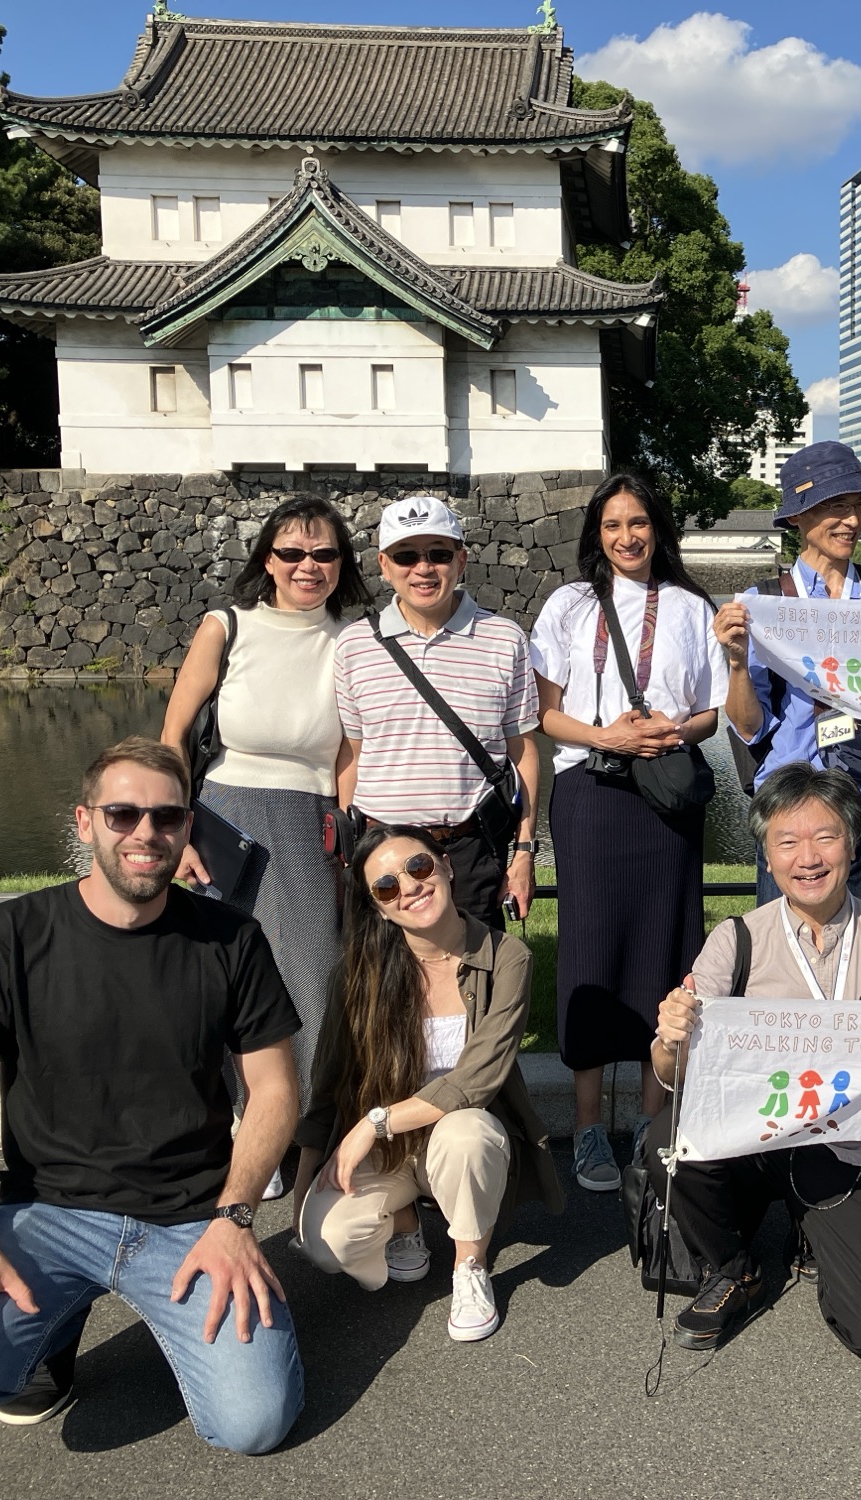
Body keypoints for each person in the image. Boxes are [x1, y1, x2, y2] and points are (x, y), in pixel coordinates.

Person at [0, 738, 304, 1452]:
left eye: (167, 818)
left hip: (191, 1218)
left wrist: (237, 1217)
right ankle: (51, 1326)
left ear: (188, 828)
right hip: (48, 1211)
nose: (146, 833)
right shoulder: (7, 938)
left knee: (255, 1424)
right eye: (123, 814)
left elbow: (273, 1090)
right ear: (84, 823)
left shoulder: (231, 940)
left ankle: (142, 1312)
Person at [644, 765, 861, 1361]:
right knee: (668, 1139)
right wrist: (670, 1039)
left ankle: (813, 1230)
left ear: (853, 844)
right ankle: (734, 1268)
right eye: (787, 842)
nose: (807, 858)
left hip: (848, 1148)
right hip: (754, 1138)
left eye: (825, 837)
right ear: (765, 857)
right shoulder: (736, 940)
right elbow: (672, 1077)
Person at [529, 474, 725, 1193]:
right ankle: (586, 1128)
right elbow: (546, 715)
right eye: (612, 525)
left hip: (665, 792)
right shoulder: (570, 605)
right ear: (597, 533)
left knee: (666, 947)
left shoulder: (689, 607)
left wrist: (669, 730)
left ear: (658, 528)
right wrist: (608, 735)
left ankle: (650, 1118)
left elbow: (709, 711)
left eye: (638, 522)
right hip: (591, 791)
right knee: (588, 950)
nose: (627, 537)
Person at [295, 824, 564, 1338]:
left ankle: (470, 1263)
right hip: (390, 1150)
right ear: (377, 907)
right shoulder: (357, 973)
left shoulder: (507, 957)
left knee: (466, 1130)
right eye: (387, 886)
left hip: (461, 1138)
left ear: (445, 865)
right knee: (323, 1243)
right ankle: (405, 1222)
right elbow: (327, 1080)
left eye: (418, 867)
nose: (410, 887)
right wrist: (306, 1182)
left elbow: (476, 1080)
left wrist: (372, 1125)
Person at [161, 495, 370, 1115]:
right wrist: (178, 832)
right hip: (223, 815)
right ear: (268, 560)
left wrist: (346, 835)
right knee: (220, 975)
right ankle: (223, 1125)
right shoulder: (227, 625)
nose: (309, 566)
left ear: (343, 563)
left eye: (325, 553)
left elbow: (348, 753)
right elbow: (172, 735)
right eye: (292, 553)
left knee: (310, 979)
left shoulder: (354, 640)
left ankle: (297, 1127)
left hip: (311, 819)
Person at [712, 440, 861, 916]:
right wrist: (737, 663)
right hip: (790, 800)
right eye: (835, 506)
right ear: (797, 518)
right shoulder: (763, 603)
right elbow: (747, 727)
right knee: (785, 953)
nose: (852, 520)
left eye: (859, 504)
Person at [334, 494, 540, 930]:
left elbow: (522, 752)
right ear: (384, 565)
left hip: (468, 848)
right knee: (381, 984)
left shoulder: (505, 639)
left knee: (473, 982)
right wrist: (351, 851)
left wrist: (523, 852)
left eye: (439, 554)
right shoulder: (354, 645)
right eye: (406, 556)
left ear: (461, 560)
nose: (423, 569)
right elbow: (351, 755)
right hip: (380, 848)